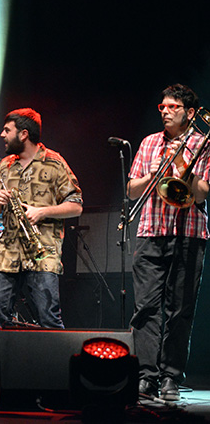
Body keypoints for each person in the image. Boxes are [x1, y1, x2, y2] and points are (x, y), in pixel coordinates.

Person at [127, 84, 210, 401]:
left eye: (172, 107)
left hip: (189, 234)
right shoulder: (149, 142)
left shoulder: (203, 143)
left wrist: (182, 167)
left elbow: (200, 194)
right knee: (146, 309)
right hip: (151, 232)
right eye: (162, 107)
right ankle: (146, 376)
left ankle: (171, 376)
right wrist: (152, 176)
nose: (165, 112)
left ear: (190, 112)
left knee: (180, 310)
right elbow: (132, 190)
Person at [0, 108, 83, 333]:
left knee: (48, 318)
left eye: (7, 130)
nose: (2, 135)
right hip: (7, 253)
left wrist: (42, 212)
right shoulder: (5, 165)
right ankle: (7, 357)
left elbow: (76, 206)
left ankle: (54, 358)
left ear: (23, 134)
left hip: (43, 253)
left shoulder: (55, 162)